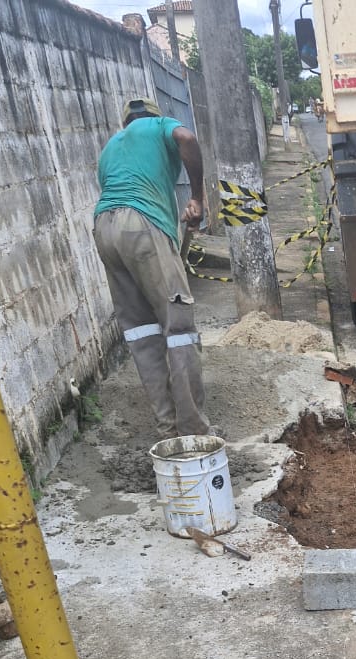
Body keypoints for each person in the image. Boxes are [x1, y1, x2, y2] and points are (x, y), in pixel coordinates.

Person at [93, 97, 209, 435]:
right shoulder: (159, 127)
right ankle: (193, 430)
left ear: (126, 122)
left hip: (104, 228)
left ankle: (166, 426)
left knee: (142, 331)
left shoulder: (111, 146)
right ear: (154, 118)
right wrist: (198, 198)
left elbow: (129, 189)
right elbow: (187, 139)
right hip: (141, 226)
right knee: (178, 328)